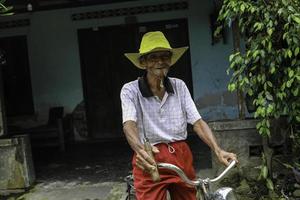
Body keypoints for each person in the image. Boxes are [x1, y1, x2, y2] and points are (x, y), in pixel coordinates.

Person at [120, 31, 238, 200]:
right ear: (143, 62)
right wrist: (140, 150)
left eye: (165, 56)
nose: (160, 61)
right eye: (153, 57)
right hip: (150, 156)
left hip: (181, 154)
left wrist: (218, 151)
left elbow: (197, 122)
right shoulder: (130, 90)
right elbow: (129, 124)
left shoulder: (179, 86)